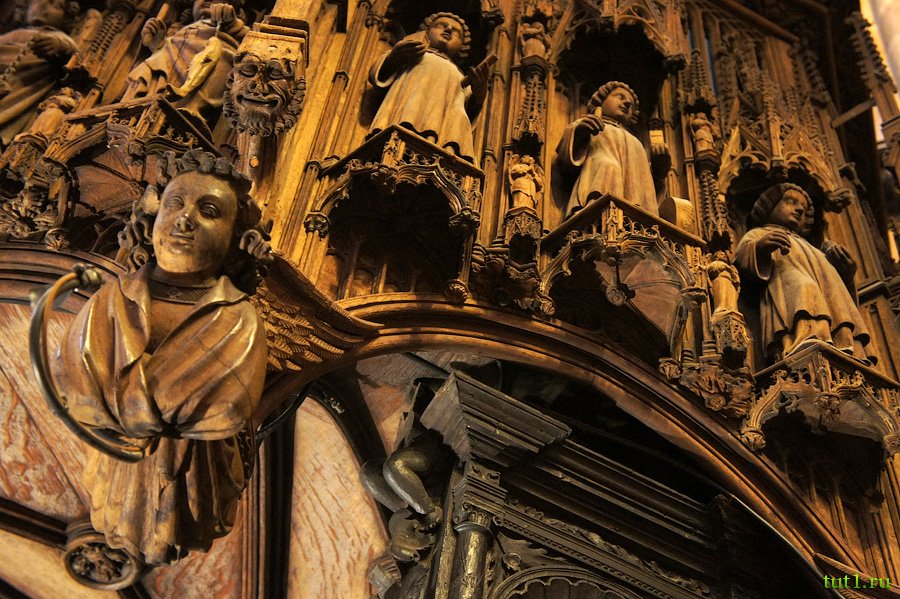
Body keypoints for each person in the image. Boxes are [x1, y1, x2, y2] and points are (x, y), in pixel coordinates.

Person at [54, 149, 269, 565]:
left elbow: (227, 408)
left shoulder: (238, 319)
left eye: (209, 211)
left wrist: (121, 404)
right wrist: (166, 407)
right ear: (151, 221)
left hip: (193, 477)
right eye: (174, 204)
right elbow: (75, 387)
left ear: (235, 239)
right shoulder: (111, 301)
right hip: (117, 473)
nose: (185, 220)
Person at [734, 183, 873, 363]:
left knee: (835, 298)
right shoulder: (760, 233)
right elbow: (741, 261)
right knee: (805, 288)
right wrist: (760, 248)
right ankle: (805, 338)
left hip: (824, 296)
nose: (799, 209)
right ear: (769, 207)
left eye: (804, 208)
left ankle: (846, 346)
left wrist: (847, 273)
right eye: (790, 201)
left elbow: (840, 291)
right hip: (785, 289)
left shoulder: (812, 247)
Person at [367, 12, 492, 163]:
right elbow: (377, 74)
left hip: (443, 137)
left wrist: (478, 94)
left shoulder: (459, 75)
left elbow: (466, 113)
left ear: (462, 47)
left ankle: (442, 154)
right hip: (403, 118)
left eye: (456, 32)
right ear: (426, 31)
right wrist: (394, 58)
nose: (448, 30)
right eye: (441, 25)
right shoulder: (412, 54)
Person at [123, 0, 249, 128]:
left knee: (224, 57)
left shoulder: (233, 28)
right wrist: (157, 44)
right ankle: (132, 109)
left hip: (205, 72)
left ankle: (192, 110)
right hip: (168, 76)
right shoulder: (183, 29)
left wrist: (232, 23)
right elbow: (172, 51)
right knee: (146, 67)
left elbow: (248, 39)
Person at [555, 81, 666, 217]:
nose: (627, 103)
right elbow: (564, 163)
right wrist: (580, 133)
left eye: (631, 104)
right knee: (609, 166)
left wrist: (659, 171)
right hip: (597, 193)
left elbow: (646, 188)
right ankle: (597, 216)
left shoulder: (637, 143)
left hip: (635, 218)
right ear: (601, 101)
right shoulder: (589, 124)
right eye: (620, 96)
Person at [0, 0, 79, 147]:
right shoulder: (13, 34)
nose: (44, 7)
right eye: (38, 1)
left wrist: (60, 45)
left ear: (66, 17)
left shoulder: (56, 36)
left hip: (19, 92)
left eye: (57, 5)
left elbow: (73, 51)